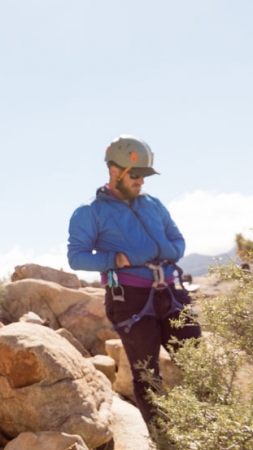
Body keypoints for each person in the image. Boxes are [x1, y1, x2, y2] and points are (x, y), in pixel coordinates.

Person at [67, 135, 202, 424]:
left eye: (144, 176)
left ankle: (213, 431)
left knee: (198, 363)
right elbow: (76, 257)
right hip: (130, 300)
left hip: (171, 293)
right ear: (114, 171)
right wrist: (114, 259)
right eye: (136, 175)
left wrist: (162, 252)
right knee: (147, 375)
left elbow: (177, 241)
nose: (141, 181)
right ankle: (163, 439)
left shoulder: (153, 204)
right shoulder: (90, 212)